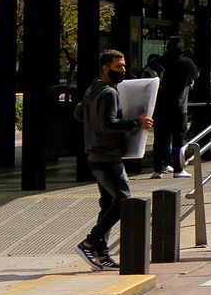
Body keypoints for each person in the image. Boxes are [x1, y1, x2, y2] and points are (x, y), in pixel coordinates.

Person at [75, 49, 154, 271]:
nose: (123, 70)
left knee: (108, 203)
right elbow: (107, 124)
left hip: (95, 154)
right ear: (105, 67)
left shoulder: (93, 89)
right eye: (119, 66)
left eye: (124, 66)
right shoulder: (109, 93)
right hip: (107, 156)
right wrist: (137, 123)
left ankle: (102, 253)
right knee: (123, 200)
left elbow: (78, 113)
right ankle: (89, 243)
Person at [151, 37, 199, 179]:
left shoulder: (158, 62)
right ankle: (178, 169)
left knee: (159, 138)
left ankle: (158, 169)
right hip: (179, 106)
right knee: (178, 138)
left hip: (159, 106)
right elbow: (195, 75)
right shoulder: (187, 63)